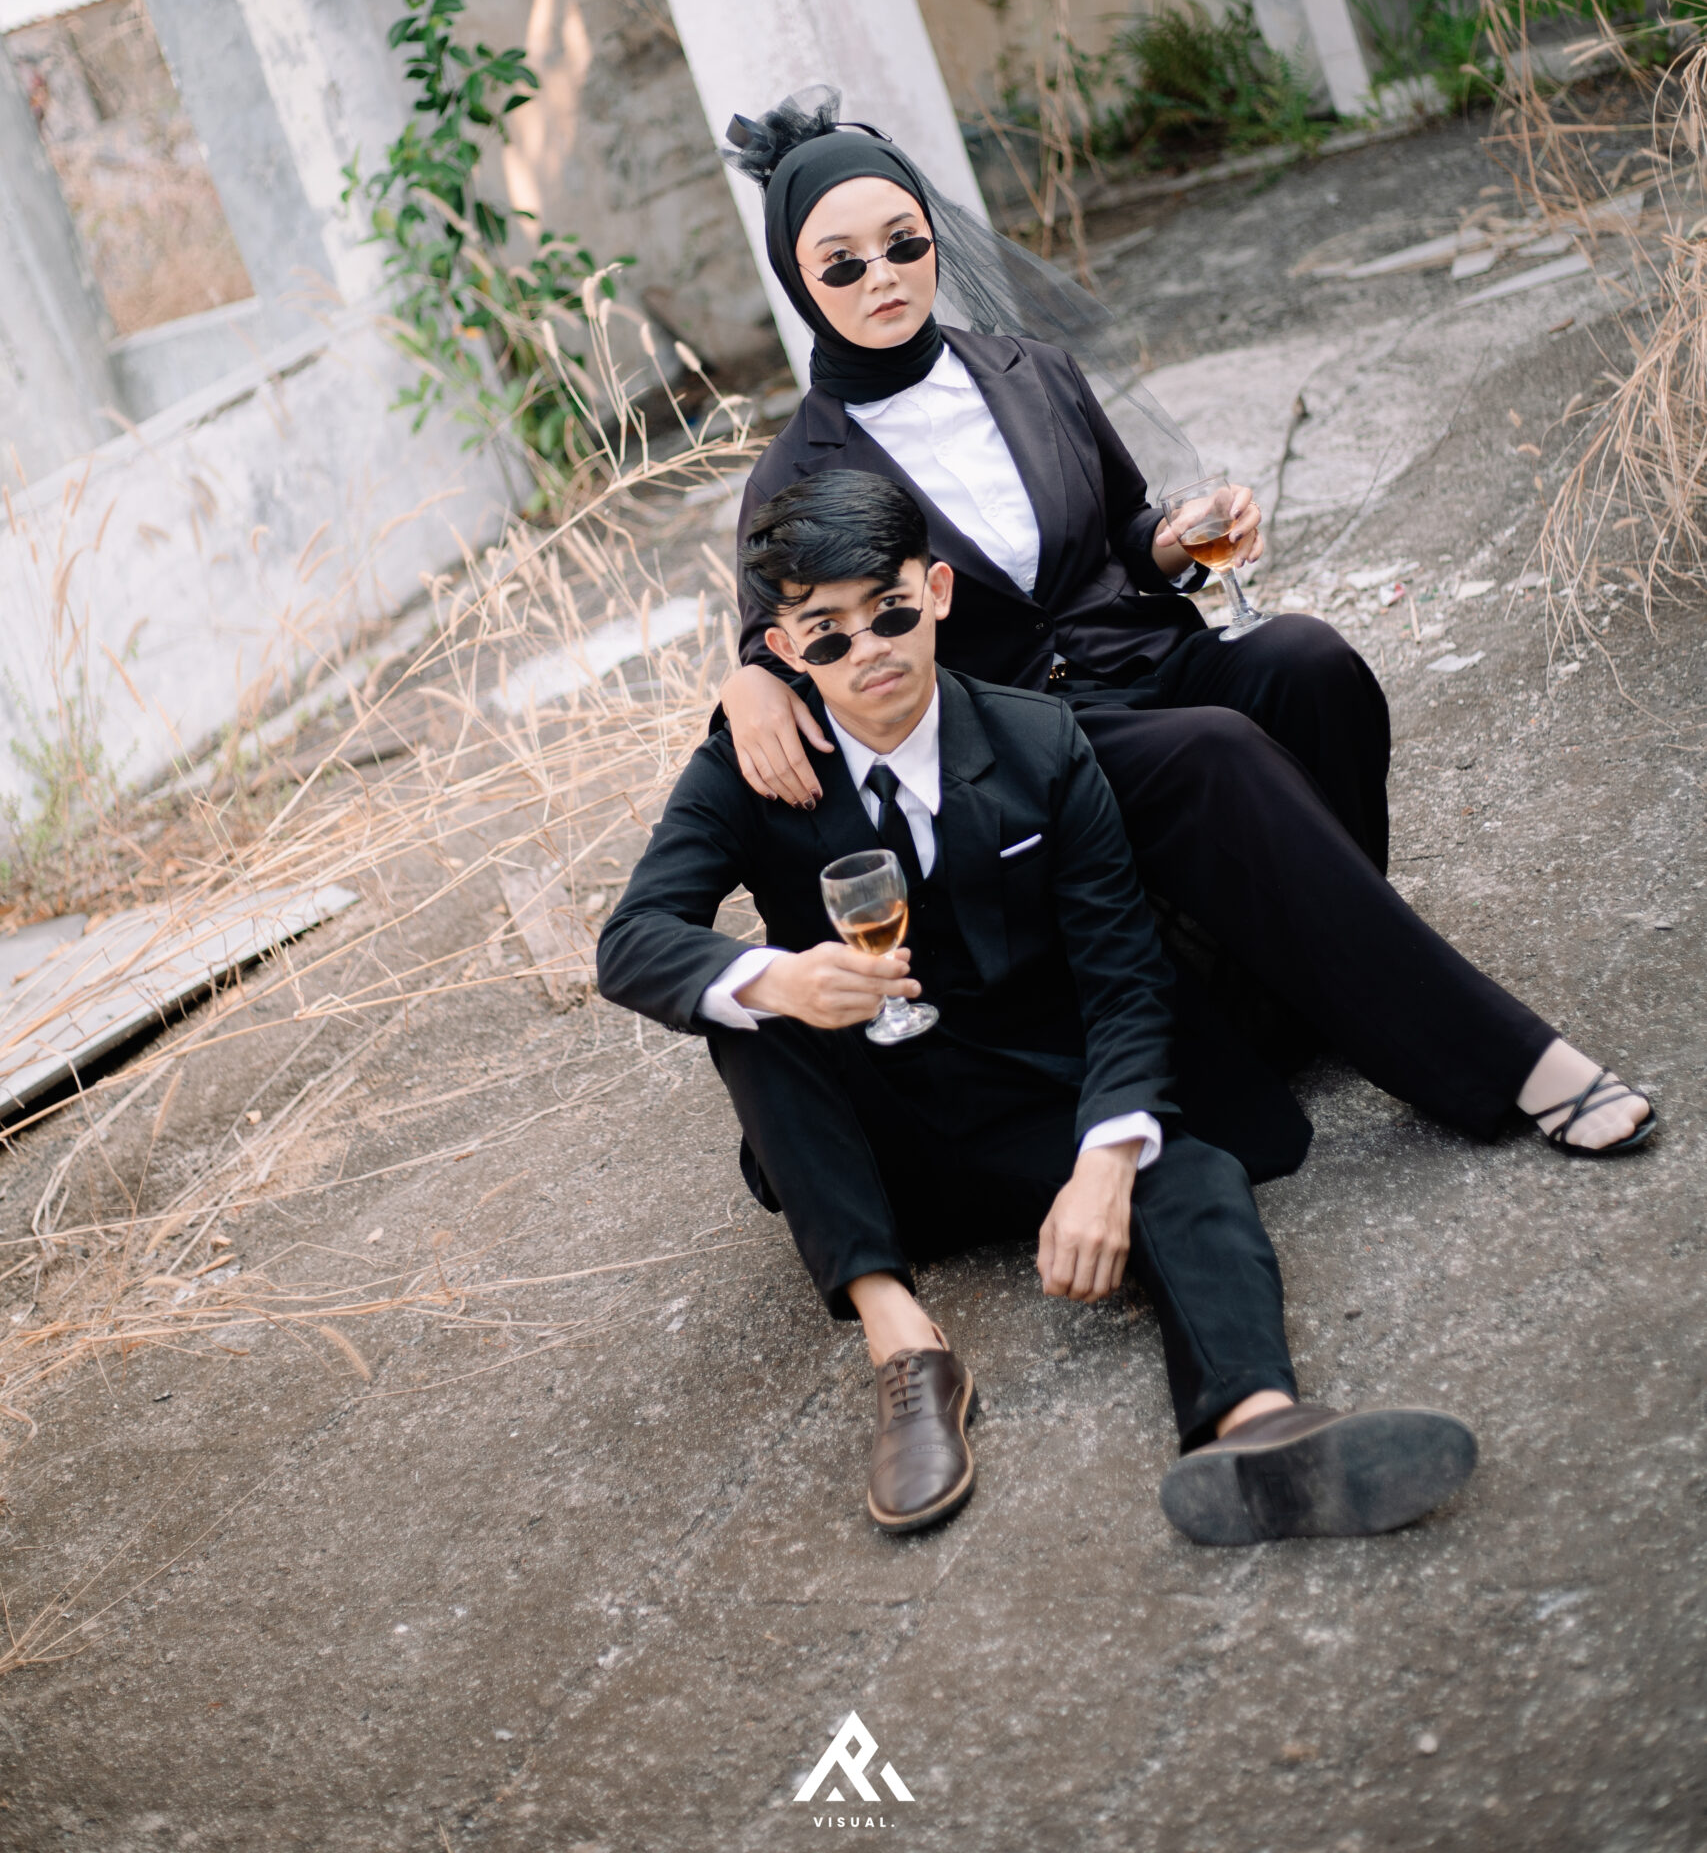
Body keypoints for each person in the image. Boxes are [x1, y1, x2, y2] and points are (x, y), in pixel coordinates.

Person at [716, 88, 1655, 1166]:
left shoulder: (1032, 372)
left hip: (1144, 656)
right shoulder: (797, 473)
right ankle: (1504, 1061)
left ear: (933, 237)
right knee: (1213, 752)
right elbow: (785, 640)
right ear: (798, 279)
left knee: (1309, 661)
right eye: (841, 264)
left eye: (902, 243)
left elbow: (1125, 528)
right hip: (1020, 738)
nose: (881, 275)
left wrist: (1180, 533)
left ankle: (1315, 982)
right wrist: (747, 682)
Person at [597, 473, 1478, 1543]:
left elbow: (1122, 974)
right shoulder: (747, 771)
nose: (868, 650)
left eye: (890, 611)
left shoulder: (1039, 741)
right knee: (747, 1001)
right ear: (783, 649)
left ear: (937, 592)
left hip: (1037, 1095)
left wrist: (1102, 1169)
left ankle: (1261, 1431)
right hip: (883, 1148)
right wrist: (778, 977)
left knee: (1186, 1172)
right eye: (826, 634)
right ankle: (905, 1349)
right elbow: (631, 940)